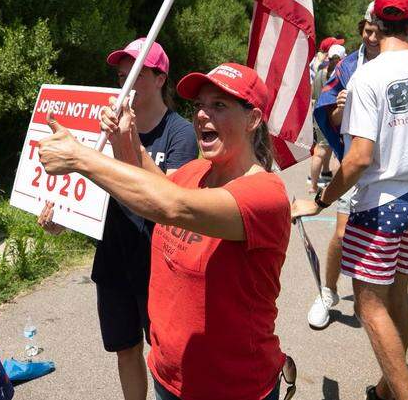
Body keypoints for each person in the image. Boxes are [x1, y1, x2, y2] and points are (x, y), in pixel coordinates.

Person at [38, 63, 291, 400]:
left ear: (253, 119)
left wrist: (79, 158)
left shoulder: (265, 195)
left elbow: (172, 206)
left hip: (231, 388)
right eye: (200, 105)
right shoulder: (197, 171)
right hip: (169, 378)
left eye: (219, 105)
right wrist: (125, 137)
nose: (202, 115)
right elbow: (153, 188)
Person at [293, 0, 408, 400]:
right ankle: (388, 389)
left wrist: (319, 200)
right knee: (399, 294)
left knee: (369, 304)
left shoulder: (368, 77)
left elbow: (358, 158)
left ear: (374, 21)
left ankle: (404, 395)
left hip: (380, 205)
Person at [38, 37, 198, 400]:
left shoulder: (181, 134)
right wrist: (61, 219)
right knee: (125, 349)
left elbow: (172, 205)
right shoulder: (102, 131)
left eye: (136, 72)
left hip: (160, 264)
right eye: (122, 73)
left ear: (160, 79)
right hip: (112, 260)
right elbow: (89, 195)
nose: (125, 80)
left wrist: (128, 143)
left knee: (166, 355)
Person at [306, 1, 382, 329]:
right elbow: (332, 119)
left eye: (378, 30)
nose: (372, 36)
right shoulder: (349, 66)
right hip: (354, 165)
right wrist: (341, 108)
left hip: (389, 170)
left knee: (381, 241)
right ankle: (328, 292)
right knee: (340, 233)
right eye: (367, 30)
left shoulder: (400, 65)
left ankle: (376, 302)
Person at [307, 43, 346, 192]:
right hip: (338, 114)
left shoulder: (320, 72)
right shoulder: (342, 74)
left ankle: (313, 185)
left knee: (319, 151)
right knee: (338, 152)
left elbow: (313, 94)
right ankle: (334, 187)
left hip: (320, 113)